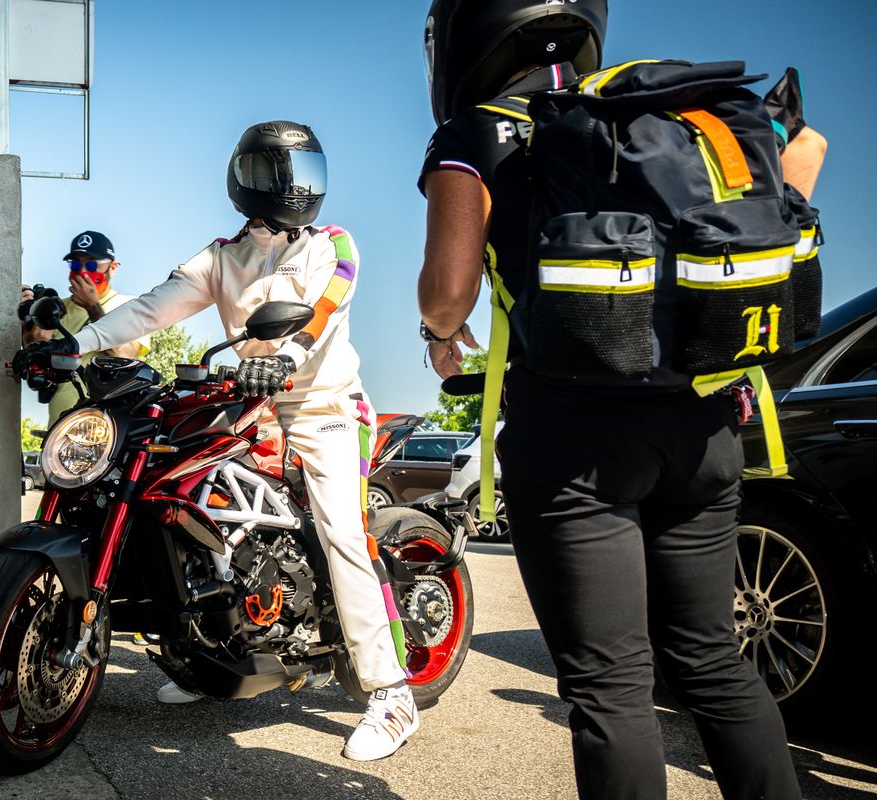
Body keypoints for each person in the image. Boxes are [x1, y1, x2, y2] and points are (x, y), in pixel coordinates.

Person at [416, 2, 824, 798]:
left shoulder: (480, 131)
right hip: (704, 426)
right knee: (712, 661)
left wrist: (437, 334)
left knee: (611, 689)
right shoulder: (662, 114)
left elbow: (447, 295)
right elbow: (806, 149)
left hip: (575, 448)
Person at [67, 120, 418, 762]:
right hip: (245, 406)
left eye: (303, 173)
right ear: (245, 179)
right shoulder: (222, 258)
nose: (292, 187)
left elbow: (324, 307)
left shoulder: (333, 243)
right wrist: (76, 343)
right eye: (277, 172)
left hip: (325, 406)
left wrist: (288, 355)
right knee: (178, 502)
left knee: (342, 533)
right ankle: (210, 657)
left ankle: (391, 693)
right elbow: (151, 307)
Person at [20, 230, 150, 425]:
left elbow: (124, 355)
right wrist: (29, 319)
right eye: (75, 264)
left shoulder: (130, 306)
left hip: (107, 430)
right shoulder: (57, 307)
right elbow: (37, 354)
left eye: (90, 264)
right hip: (60, 429)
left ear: (112, 267)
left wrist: (93, 307)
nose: (81, 271)